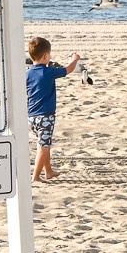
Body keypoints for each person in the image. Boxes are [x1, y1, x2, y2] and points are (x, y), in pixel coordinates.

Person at [25, 36, 81, 182]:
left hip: (31, 116)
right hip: (45, 116)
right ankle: (36, 176)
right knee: (43, 147)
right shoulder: (48, 71)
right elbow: (68, 69)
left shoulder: (28, 73)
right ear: (46, 56)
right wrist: (75, 59)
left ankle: (48, 171)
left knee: (45, 143)